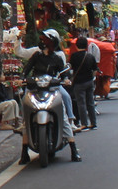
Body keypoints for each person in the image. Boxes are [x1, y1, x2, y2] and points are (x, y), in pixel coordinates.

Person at [14, 28, 80, 163]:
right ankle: (24, 153)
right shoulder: (36, 56)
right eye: (43, 40)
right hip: (35, 89)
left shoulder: (57, 57)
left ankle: (74, 149)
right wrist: (22, 78)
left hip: (53, 88)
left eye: (47, 41)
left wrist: (66, 79)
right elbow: (27, 69)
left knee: (64, 114)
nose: (44, 43)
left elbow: (63, 72)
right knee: (26, 118)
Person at [68, 37, 98, 130]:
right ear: (86, 46)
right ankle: (93, 123)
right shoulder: (90, 56)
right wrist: (92, 78)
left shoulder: (74, 56)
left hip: (79, 82)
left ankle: (84, 124)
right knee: (90, 102)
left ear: (76, 46)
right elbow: (95, 70)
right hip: (89, 81)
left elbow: (70, 68)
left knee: (81, 103)